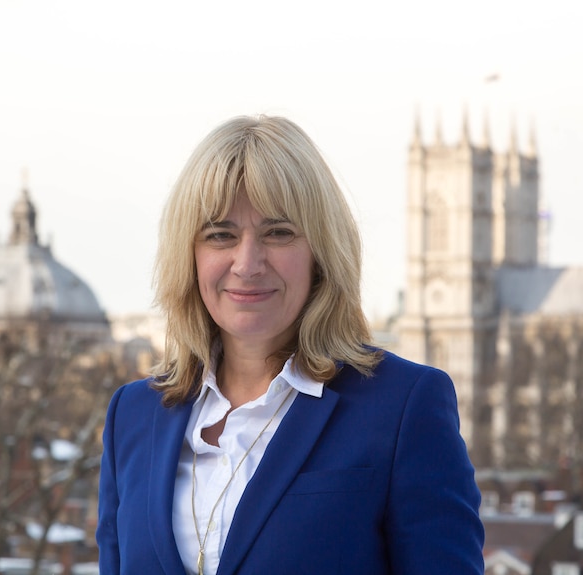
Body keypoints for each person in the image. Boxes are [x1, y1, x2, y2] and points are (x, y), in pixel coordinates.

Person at [96, 115, 484, 574]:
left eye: (278, 233)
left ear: (321, 251)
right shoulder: (134, 415)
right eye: (220, 234)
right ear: (189, 254)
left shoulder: (403, 407)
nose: (248, 263)